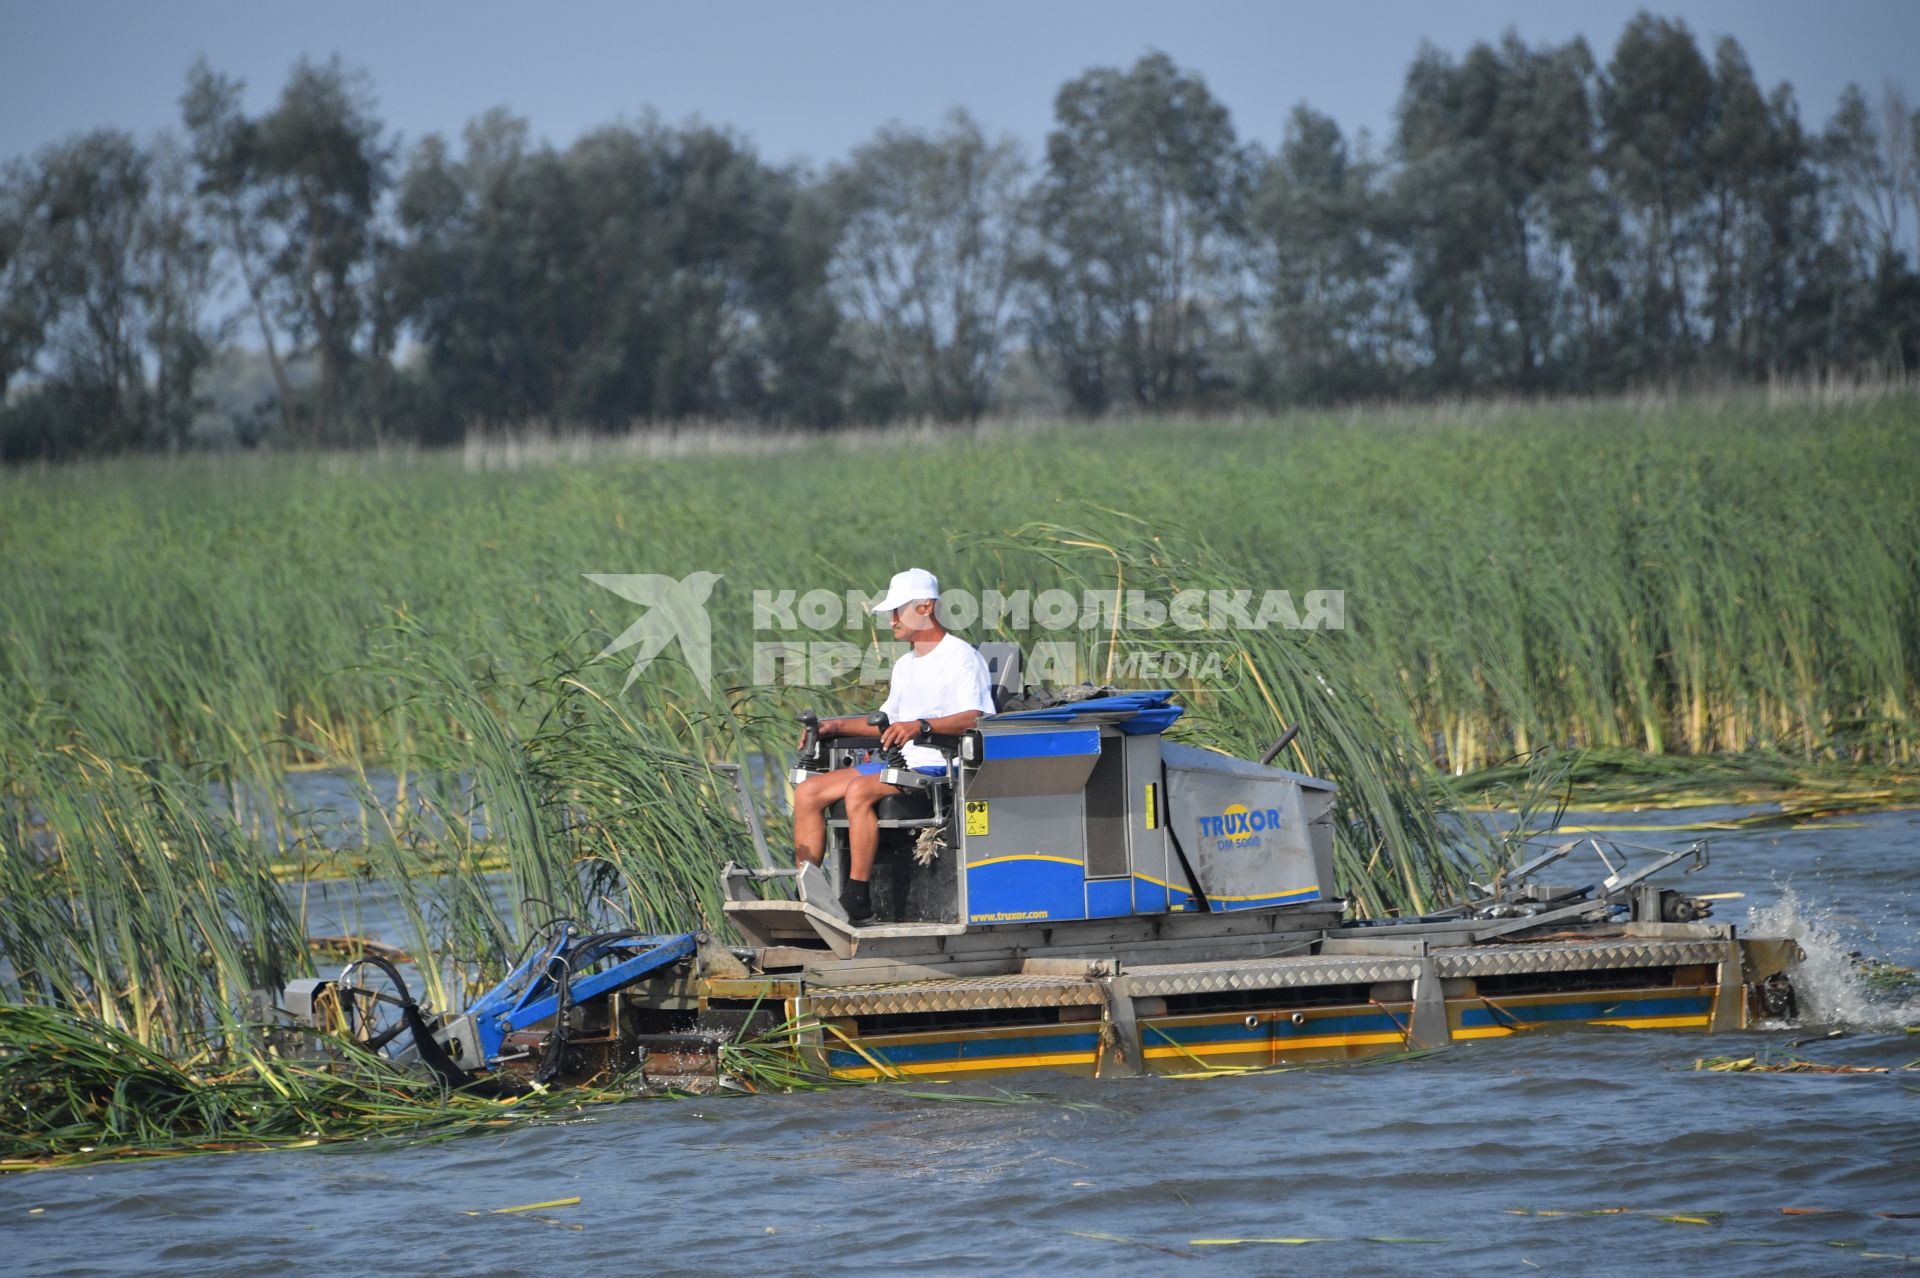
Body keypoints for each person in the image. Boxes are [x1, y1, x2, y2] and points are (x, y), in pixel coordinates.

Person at [792, 567, 995, 924]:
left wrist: (922, 726)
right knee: (808, 791)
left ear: (925, 607)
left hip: (937, 769)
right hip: (898, 765)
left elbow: (976, 718)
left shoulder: (961, 658)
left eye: (897, 610)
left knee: (858, 789)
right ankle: (805, 895)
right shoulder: (905, 664)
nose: (891, 621)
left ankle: (857, 898)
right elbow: (884, 720)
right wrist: (834, 726)